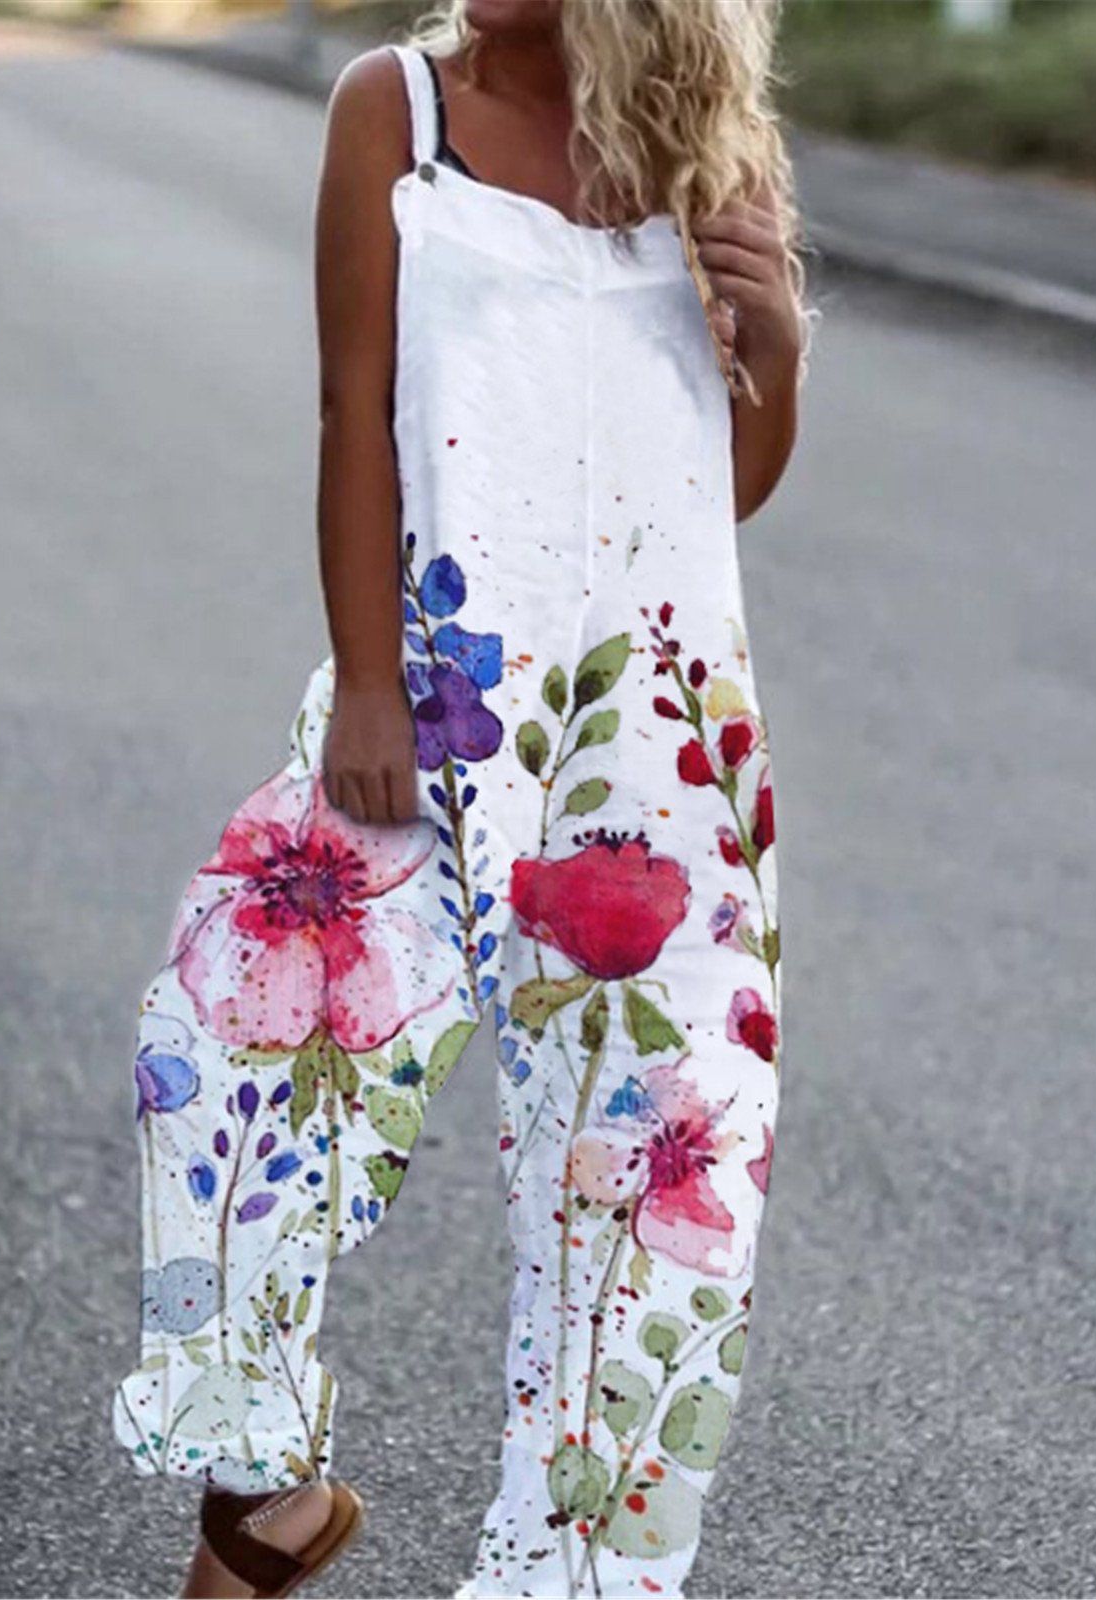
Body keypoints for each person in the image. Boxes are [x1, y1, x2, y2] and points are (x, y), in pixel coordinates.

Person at [112, 0, 805, 1595]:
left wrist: (772, 346)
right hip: (436, 703)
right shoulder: (397, 108)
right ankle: (263, 1487)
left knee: (646, 1204)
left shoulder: (710, 148)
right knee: (229, 1058)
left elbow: (720, 490)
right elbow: (354, 406)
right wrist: (370, 680)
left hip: (661, 764)